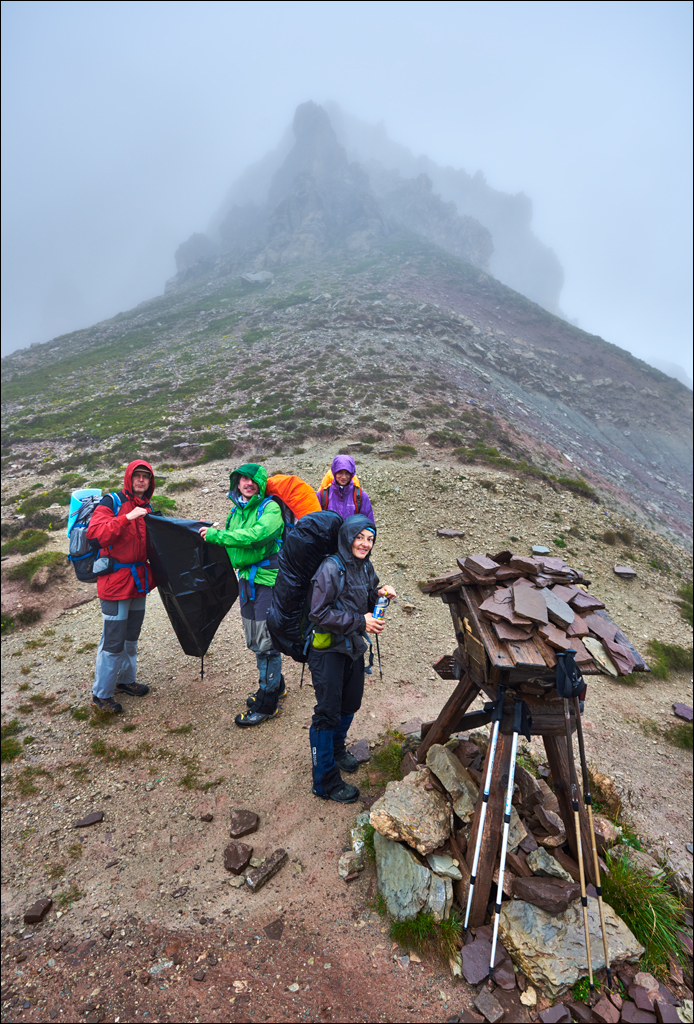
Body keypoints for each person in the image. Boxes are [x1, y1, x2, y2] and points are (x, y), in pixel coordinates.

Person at [307, 514, 396, 803]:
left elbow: (369, 597)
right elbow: (318, 613)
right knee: (327, 712)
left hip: (353, 647)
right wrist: (361, 621)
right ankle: (326, 781)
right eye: (359, 537)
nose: (365, 543)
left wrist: (382, 596)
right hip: (329, 649)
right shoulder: (330, 568)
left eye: (370, 539)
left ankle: (335, 750)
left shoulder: (365, 566)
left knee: (350, 704)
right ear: (348, 537)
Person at [199, 463, 285, 727]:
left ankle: (267, 703)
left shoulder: (270, 508)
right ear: (236, 483)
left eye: (253, 480)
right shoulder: (235, 513)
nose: (248, 484)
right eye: (243, 479)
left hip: (267, 582)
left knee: (265, 642)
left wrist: (218, 536)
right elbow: (230, 547)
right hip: (246, 581)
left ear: (260, 483)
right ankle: (276, 686)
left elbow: (257, 536)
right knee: (255, 637)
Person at [86, 461, 156, 714]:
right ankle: (101, 694)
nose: (140, 480)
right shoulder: (112, 502)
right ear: (129, 478)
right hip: (115, 583)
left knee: (131, 637)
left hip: (138, 582)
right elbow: (95, 534)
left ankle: (126, 681)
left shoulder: (148, 507)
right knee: (113, 641)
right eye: (136, 476)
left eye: (145, 477)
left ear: (150, 481)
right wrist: (126, 517)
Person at [316, 455, 375, 524]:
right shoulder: (322, 495)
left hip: (352, 535)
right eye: (340, 472)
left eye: (347, 473)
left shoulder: (361, 496)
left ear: (352, 474)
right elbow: (315, 524)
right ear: (334, 472)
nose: (343, 477)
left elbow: (368, 524)